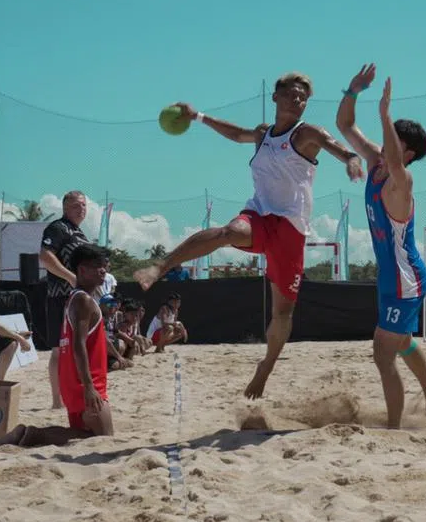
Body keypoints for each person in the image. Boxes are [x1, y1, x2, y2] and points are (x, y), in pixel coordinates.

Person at [134, 71, 366, 399]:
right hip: (258, 215)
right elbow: (236, 134)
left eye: (303, 97)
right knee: (229, 231)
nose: (298, 101)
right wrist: (197, 116)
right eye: (292, 94)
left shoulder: (307, 133)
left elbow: (335, 146)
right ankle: (161, 267)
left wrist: (352, 159)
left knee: (282, 313)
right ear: (276, 97)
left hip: (290, 229)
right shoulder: (262, 134)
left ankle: (266, 368)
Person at [335, 65, 426, 428]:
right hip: (392, 276)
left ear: (408, 153)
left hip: (405, 279)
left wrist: (384, 114)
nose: (384, 140)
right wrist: (352, 91)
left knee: (382, 354)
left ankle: (394, 428)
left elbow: (396, 165)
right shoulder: (375, 162)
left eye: (393, 136)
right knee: (400, 343)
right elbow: (345, 127)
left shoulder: (403, 180)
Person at [0, 243, 115, 446]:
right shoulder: (83, 301)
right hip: (86, 382)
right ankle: (32, 434)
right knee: (102, 439)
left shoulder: (74, 298)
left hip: (73, 380)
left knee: (83, 433)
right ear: (81, 270)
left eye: (104, 265)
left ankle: (29, 434)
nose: (103, 270)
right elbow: (78, 346)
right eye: (97, 265)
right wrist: (89, 386)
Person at [39, 190, 90, 409]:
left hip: (79, 299)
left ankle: (73, 394)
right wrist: (70, 278)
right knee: (59, 350)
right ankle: (56, 401)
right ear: (65, 208)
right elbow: (45, 256)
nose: (81, 210)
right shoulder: (57, 228)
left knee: (78, 347)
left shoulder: (80, 233)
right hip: (60, 297)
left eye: (84, 206)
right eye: (76, 206)